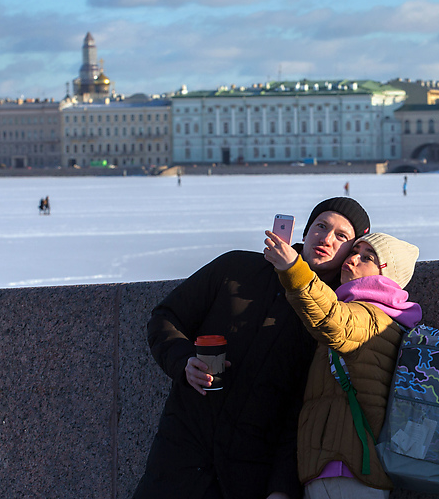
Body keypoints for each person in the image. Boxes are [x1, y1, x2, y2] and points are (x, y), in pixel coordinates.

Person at [134, 197, 371, 499]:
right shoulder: (236, 268)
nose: (325, 238)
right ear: (305, 230)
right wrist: (183, 362)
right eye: (321, 226)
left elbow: (300, 413)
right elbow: (166, 318)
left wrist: (281, 488)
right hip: (180, 455)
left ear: (351, 251)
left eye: (341, 235)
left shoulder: (333, 318)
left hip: (246, 475)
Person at [264, 231, 421, 499]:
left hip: (345, 470)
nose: (352, 259)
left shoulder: (372, 318)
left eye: (367, 257)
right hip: (343, 468)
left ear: (387, 275)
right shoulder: (381, 316)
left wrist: (294, 270)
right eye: (354, 252)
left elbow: (332, 318)